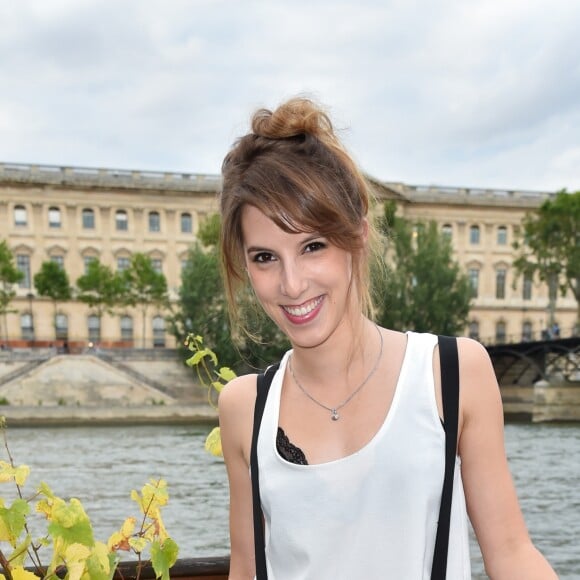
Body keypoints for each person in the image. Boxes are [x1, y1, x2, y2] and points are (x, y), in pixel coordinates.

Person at [217, 97, 557, 579]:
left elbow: (511, 555)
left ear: (357, 237)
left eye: (312, 246)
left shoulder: (454, 372)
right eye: (265, 258)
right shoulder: (242, 408)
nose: (291, 285)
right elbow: (247, 572)